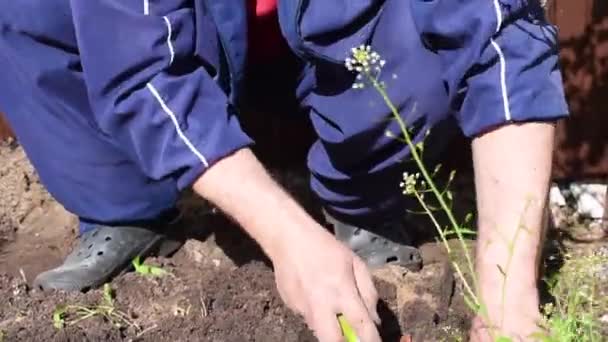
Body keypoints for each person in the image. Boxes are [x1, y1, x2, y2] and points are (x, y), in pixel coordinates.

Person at [0, 0, 568, 340]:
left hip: (327, 42)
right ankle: (124, 206)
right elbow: (140, 68)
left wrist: (507, 296)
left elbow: (503, 28)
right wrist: (292, 242)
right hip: (177, 33)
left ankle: (360, 203)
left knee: (412, 59)